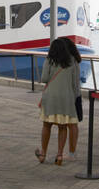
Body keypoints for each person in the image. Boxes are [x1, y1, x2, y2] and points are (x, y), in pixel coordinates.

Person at [35, 37, 81, 165]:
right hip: (66, 98)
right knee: (62, 127)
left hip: (50, 97)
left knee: (46, 125)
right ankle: (59, 155)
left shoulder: (49, 60)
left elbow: (44, 78)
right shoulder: (72, 61)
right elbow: (75, 84)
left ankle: (43, 153)